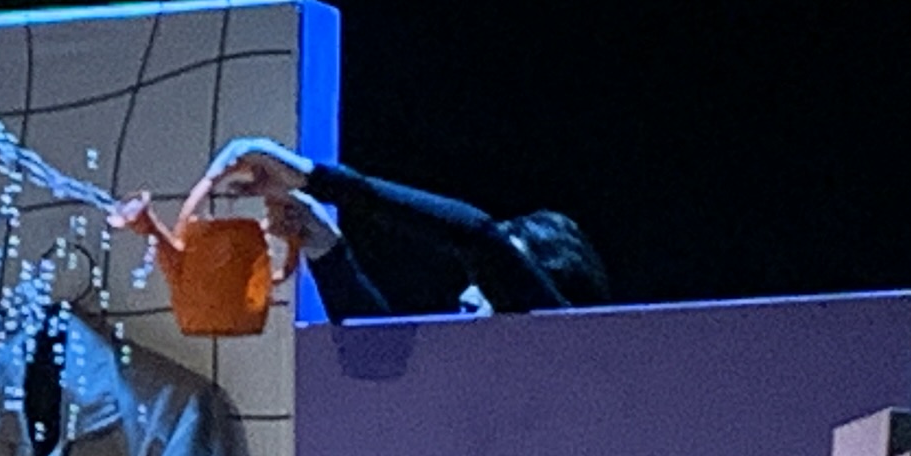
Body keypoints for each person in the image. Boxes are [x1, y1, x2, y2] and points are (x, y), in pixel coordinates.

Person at [125, 138, 607, 321]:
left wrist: (314, 177)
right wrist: (323, 245)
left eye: (494, 282)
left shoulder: (565, 349)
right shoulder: (469, 371)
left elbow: (477, 237)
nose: (468, 295)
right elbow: (376, 353)